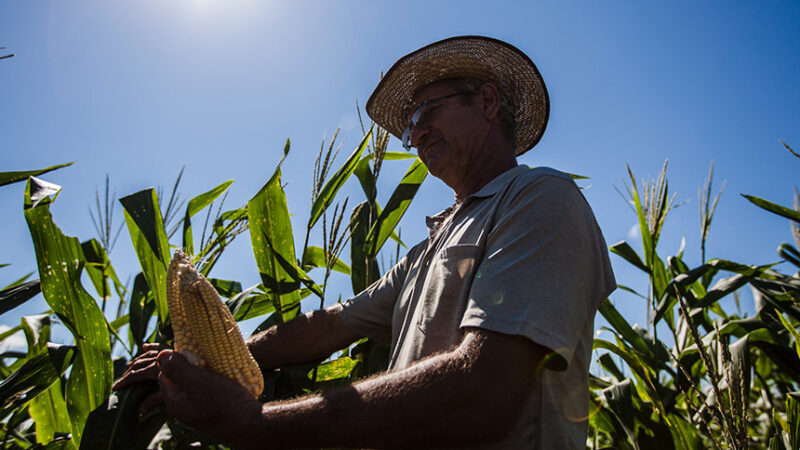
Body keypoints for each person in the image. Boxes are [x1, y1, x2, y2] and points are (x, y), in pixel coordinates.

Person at [114, 35, 616, 449]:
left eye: (425, 114)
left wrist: (251, 422)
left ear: (485, 101)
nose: (415, 135)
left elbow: (484, 388)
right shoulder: (432, 245)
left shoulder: (540, 201)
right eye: (408, 130)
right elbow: (330, 325)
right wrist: (216, 353)